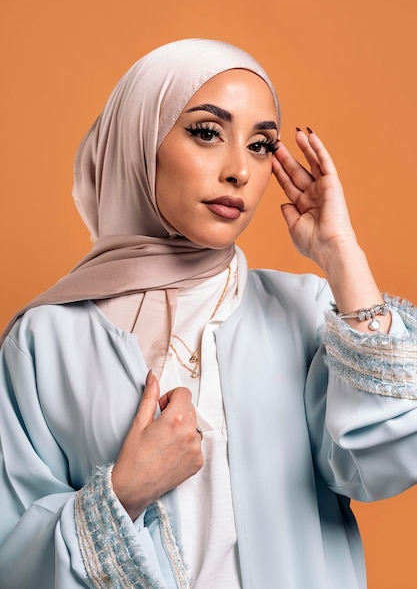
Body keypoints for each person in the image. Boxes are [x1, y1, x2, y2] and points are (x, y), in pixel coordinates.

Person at [0, 38, 416, 589]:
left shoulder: (309, 312)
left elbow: (386, 460)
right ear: (140, 138)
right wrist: (125, 493)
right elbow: (12, 559)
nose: (239, 171)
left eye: (261, 145)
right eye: (206, 132)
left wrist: (342, 252)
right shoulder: (46, 342)